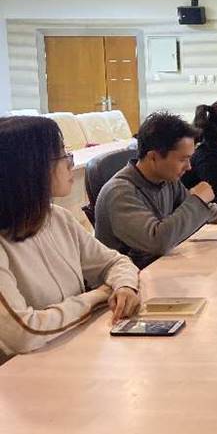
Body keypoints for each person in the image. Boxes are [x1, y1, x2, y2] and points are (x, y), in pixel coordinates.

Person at [0, 117, 140, 357]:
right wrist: (99, 296)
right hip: (23, 371)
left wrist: (125, 286)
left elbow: (115, 262)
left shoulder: (56, 217)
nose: (70, 164)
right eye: (62, 156)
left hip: (73, 349)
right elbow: (23, 333)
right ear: (30, 168)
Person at [94, 112, 217, 269]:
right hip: (127, 285)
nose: (189, 167)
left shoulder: (166, 179)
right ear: (153, 157)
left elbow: (198, 209)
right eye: (182, 159)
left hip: (161, 269)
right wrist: (198, 200)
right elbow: (158, 241)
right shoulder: (120, 192)